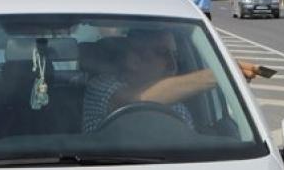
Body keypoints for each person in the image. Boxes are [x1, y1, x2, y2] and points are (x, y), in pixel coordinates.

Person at [82, 29, 213, 132]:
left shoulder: (177, 107)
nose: (173, 64)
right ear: (133, 61)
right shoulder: (101, 85)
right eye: (162, 53)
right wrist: (214, 75)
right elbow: (132, 102)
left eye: (175, 55)